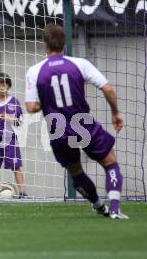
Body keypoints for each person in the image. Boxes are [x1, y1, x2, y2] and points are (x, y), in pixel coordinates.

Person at [25, 24, 128, 219]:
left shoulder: (35, 71)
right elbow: (107, 88)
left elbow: (31, 107)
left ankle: (98, 206)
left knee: (75, 171)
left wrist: (47, 103)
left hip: (58, 129)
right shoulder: (80, 64)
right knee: (110, 163)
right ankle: (115, 209)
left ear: (44, 45)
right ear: (64, 44)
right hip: (82, 124)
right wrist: (115, 112)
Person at [0, 73, 26, 198]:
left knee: (16, 167)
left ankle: (23, 192)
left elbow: (20, 121)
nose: (1, 87)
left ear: (9, 86)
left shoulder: (14, 102)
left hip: (10, 140)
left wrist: (9, 118)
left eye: (4, 85)